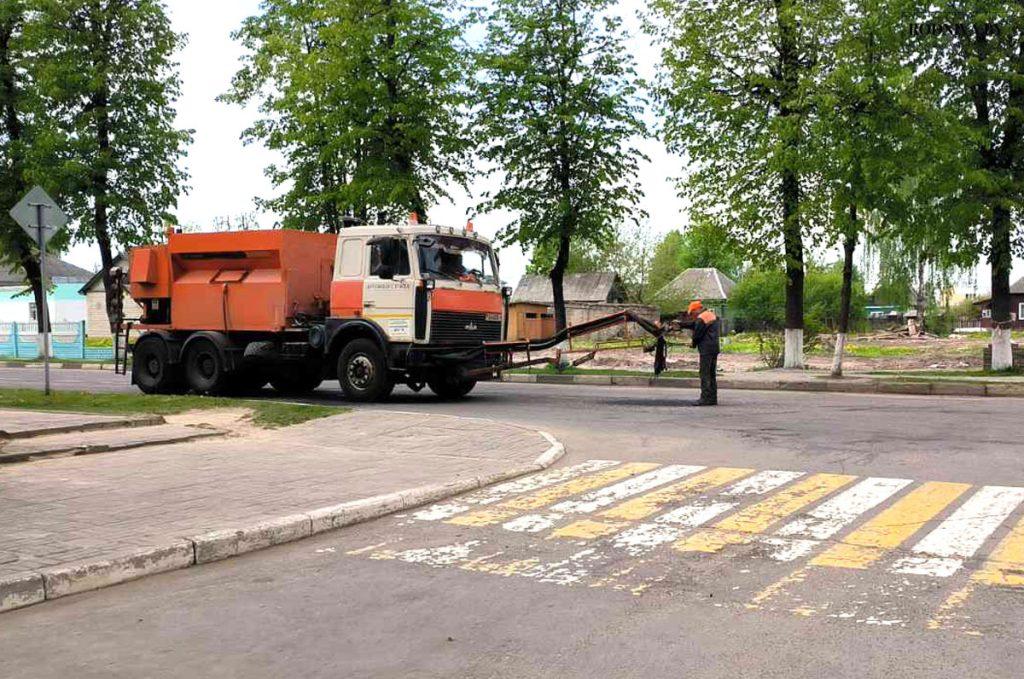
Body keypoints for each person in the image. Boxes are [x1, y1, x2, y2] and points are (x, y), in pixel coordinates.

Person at [688, 300, 720, 406]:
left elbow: (697, 334)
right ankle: (712, 398)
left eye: (692, 312)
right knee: (711, 374)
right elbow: (696, 325)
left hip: (706, 349)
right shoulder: (710, 315)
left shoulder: (701, 318)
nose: (693, 315)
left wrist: (692, 343)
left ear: (697, 309)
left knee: (704, 373)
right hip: (714, 347)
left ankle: (705, 398)